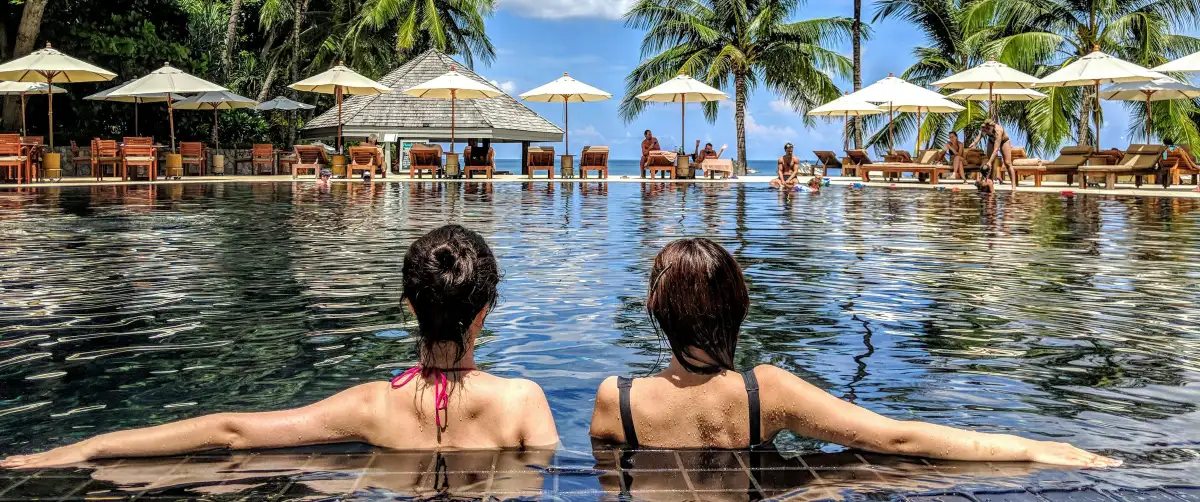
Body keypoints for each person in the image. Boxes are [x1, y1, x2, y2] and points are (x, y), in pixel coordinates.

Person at [1, 225, 559, 469]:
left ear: (409, 307)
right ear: (485, 310)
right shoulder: (522, 402)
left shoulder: (371, 405)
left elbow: (231, 429)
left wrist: (93, 446)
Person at [589, 238, 1120, 468]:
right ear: (738, 306)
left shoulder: (617, 399)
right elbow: (895, 436)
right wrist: (1027, 448)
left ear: (656, 310)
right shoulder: (762, 391)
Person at [970, 120, 1016, 191]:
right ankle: (989, 184)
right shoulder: (984, 127)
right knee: (990, 163)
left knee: (1007, 163)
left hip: (1004, 141)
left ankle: (1013, 186)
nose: (987, 130)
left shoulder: (998, 131)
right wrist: (974, 143)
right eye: (986, 128)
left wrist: (989, 162)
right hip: (991, 141)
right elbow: (981, 135)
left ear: (993, 127)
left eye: (989, 129)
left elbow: (996, 149)